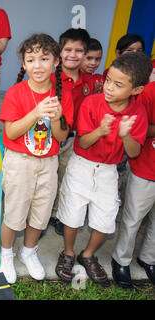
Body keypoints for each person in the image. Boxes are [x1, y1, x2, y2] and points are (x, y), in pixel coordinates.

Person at [55, 52, 152, 285]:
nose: (109, 87)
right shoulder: (91, 102)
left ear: (136, 90)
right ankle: (68, 252)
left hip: (109, 170)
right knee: (72, 212)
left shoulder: (138, 113)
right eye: (108, 80)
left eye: (118, 85)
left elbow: (134, 152)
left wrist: (126, 135)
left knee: (105, 218)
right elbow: (83, 142)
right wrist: (100, 130)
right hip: (82, 165)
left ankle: (88, 254)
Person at [0, 33, 73, 284]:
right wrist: (36, 113)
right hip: (19, 161)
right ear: (23, 64)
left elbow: (62, 135)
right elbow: (10, 132)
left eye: (44, 58)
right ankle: (6, 253)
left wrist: (54, 119)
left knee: (40, 213)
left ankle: (29, 251)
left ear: (55, 63)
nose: (37, 65)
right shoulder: (16, 93)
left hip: (48, 162)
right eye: (31, 59)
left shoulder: (63, 94)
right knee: (15, 212)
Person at [50, 28, 95, 236]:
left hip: (75, 138)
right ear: (60, 51)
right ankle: (45, 215)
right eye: (68, 49)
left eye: (79, 51)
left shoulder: (90, 82)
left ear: (86, 54)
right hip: (50, 135)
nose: (73, 55)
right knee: (50, 178)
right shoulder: (50, 79)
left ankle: (60, 215)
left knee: (68, 179)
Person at [111, 77, 155, 288]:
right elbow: (140, 129)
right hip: (146, 166)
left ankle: (149, 258)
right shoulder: (149, 92)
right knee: (133, 218)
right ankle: (121, 260)